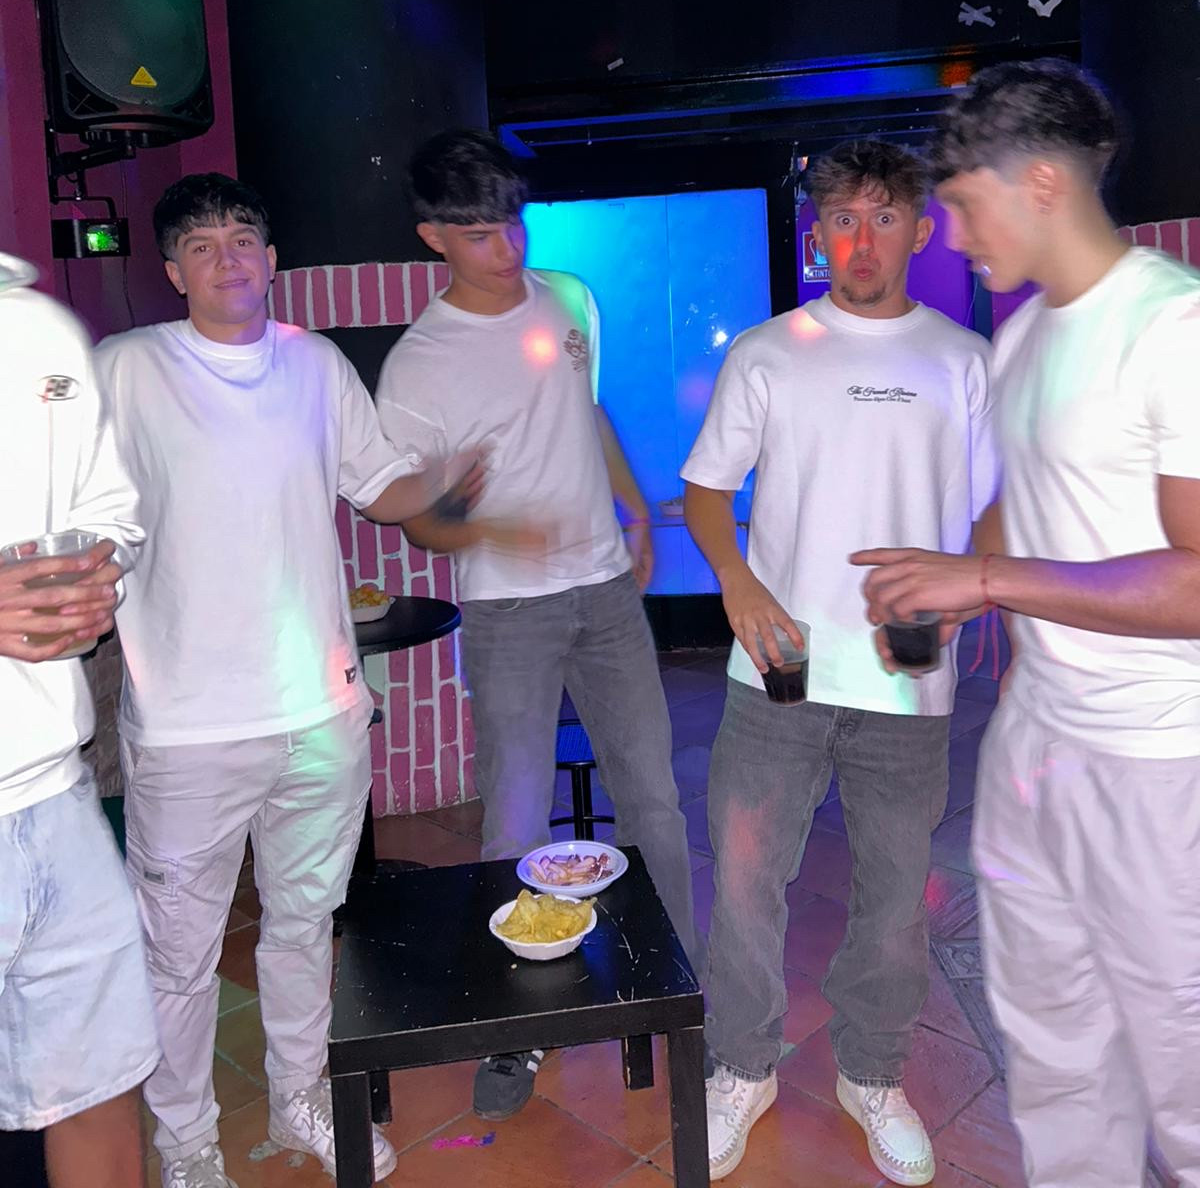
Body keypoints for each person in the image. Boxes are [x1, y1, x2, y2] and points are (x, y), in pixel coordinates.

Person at [856, 59, 1200, 1188]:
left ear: (1042, 182)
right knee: (1053, 1041)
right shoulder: (1021, 337)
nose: (950, 236)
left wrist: (988, 581)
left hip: (1159, 759)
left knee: (1183, 1060)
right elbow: (1018, 499)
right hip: (1037, 739)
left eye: (963, 203)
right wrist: (950, 589)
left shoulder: (1174, 327)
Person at [95, 173, 468, 1188]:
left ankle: (301, 1094)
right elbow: (73, 500)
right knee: (178, 956)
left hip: (321, 712)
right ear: (174, 271)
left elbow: (380, 486)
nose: (228, 257)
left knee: (305, 926)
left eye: (243, 238)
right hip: (186, 726)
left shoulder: (315, 364)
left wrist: (456, 477)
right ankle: (186, 1142)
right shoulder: (127, 368)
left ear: (271, 259)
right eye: (202, 244)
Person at [683, 138, 997, 1185]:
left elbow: (995, 504)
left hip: (908, 675)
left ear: (920, 229)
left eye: (884, 217)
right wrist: (738, 584)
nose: (863, 241)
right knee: (743, 880)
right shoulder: (770, 352)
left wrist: (969, 588)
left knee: (897, 897)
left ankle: (873, 1072)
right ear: (817, 233)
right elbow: (706, 490)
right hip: (779, 665)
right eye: (843, 219)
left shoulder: (964, 359)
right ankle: (741, 1066)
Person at [374, 129, 698, 1122]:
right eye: (479, 233)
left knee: (654, 802)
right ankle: (515, 1027)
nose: (506, 248)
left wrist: (633, 508)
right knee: (516, 818)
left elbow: (587, 412)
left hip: (606, 595)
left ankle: (679, 995)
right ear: (433, 235)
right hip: (509, 608)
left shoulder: (564, 299)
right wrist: (490, 523)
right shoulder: (419, 364)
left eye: (512, 223)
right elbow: (414, 517)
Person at [0, 251, 157, 1188]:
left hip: (54, 788)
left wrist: (99, 573)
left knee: (97, 1092)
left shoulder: (38, 328)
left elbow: (111, 512)